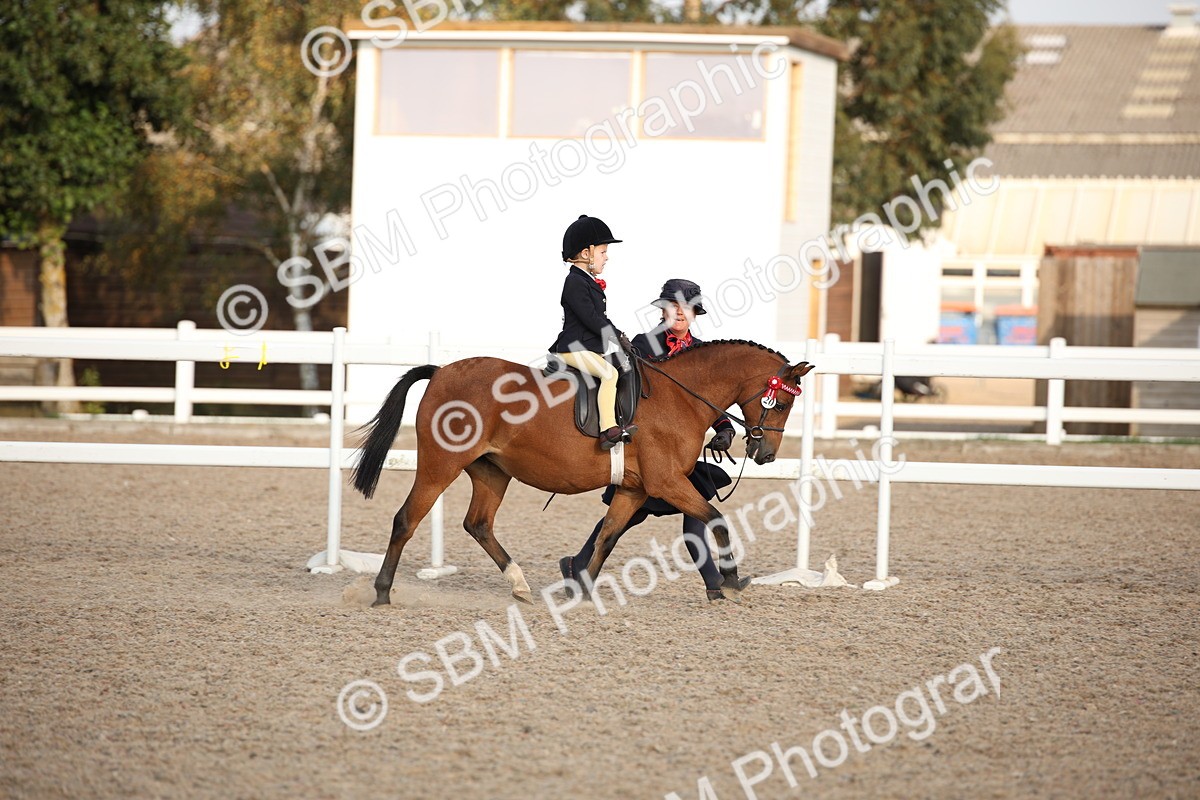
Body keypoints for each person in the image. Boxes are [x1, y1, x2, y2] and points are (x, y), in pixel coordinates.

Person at [560, 278, 748, 600]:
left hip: (681, 451)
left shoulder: (701, 352)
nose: (680, 313)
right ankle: (578, 565)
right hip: (649, 448)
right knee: (628, 515)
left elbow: (706, 399)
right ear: (663, 309)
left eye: (687, 308)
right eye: (674, 306)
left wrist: (725, 429)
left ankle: (716, 584)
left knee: (692, 515)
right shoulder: (644, 345)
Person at [549, 214, 637, 450]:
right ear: (586, 254)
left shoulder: (586, 280)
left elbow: (600, 319)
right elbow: (591, 318)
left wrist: (620, 335)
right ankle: (607, 429)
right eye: (602, 252)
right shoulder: (575, 282)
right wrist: (616, 336)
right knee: (609, 374)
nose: (606, 257)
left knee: (623, 366)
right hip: (572, 348)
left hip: (586, 347)